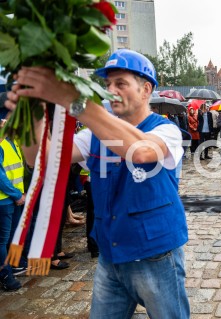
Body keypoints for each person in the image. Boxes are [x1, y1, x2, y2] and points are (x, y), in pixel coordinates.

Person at [5, 49, 189, 318]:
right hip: (110, 254)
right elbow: (39, 158)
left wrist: (77, 102)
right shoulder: (93, 134)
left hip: (156, 256)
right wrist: (32, 109)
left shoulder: (166, 130)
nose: (111, 90)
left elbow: (140, 152)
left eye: (121, 83)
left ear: (146, 89)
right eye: (107, 85)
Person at [0, 97, 25, 291]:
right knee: (2, 240)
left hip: (13, 198)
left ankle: (13, 265)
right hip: (5, 200)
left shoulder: (11, 139)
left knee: (9, 238)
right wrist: (16, 194)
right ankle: (6, 275)